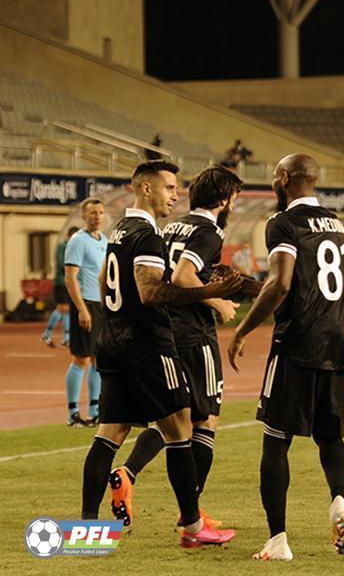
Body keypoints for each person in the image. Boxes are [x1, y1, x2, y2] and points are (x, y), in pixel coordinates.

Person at [80, 160, 241, 549]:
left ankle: (86, 531)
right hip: (148, 346)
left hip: (113, 344)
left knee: (110, 434)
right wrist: (211, 293)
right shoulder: (147, 235)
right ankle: (192, 526)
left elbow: (103, 281)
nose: (175, 194)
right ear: (145, 188)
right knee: (182, 429)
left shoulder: (119, 230)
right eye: (169, 187)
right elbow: (151, 291)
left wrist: (116, 320)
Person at [227, 154, 344, 561]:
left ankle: (278, 539)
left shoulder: (282, 223)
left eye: (274, 176)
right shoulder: (336, 223)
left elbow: (281, 283)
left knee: (276, 440)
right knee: (330, 435)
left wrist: (243, 330)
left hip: (299, 341)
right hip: (339, 338)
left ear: (284, 178)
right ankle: (339, 501)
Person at [63, 200, 108, 426]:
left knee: (98, 360)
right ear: (84, 216)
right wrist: (81, 309)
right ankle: (73, 413)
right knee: (81, 359)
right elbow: (70, 278)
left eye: (100, 212)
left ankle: (94, 411)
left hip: (101, 306)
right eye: (92, 213)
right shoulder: (78, 241)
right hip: (86, 305)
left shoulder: (105, 240)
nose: (97, 217)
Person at [41, 226, 79, 348]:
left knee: (67, 309)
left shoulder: (73, 247)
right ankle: (47, 334)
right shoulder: (62, 246)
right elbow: (63, 264)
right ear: (70, 236)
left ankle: (66, 337)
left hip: (69, 282)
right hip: (61, 283)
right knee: (62, 308)